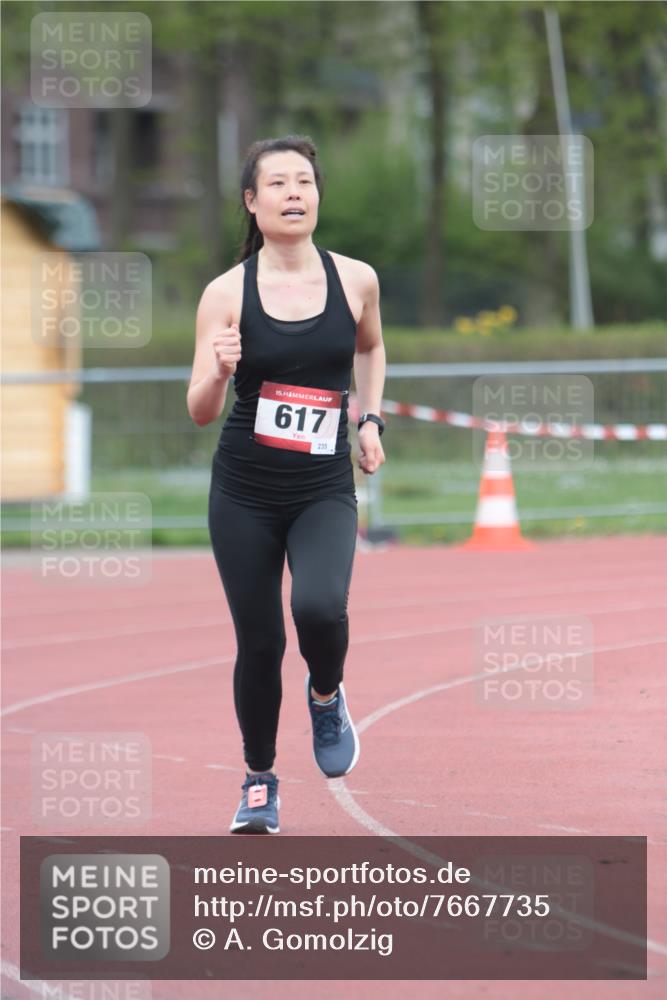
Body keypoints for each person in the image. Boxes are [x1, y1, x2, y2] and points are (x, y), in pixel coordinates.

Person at [187, 135, 386, 834]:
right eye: (277, 184)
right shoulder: (226, 292)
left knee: (321, 608)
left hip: (322, 484)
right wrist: (217, 368)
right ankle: (258, 780)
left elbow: (370, 347)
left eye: (304, 181)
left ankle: (326, 694)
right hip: (243, 488)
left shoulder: (355, 279)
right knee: (261, 642)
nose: (294, 193)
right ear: (252, 201)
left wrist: (371, 420)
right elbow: (200, 409)